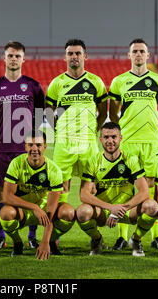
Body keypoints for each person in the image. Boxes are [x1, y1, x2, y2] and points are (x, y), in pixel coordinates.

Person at [0, 41, 45, 250]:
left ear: (24, 59)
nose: (13, 59)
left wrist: (30, 138)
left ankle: (32, 236)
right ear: (4, 58)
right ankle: (1, 236)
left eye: (17, 56)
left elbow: (40, 115)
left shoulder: (33, 86)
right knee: (0, 194)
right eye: (10, 56)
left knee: (32, 191)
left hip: (28, 150)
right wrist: (2, 134)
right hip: (3, 150)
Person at [108, 38, 158, 251]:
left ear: (147, 56)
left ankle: (155, 235)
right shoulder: (119, 81)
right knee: (125, 187)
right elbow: (112, 111)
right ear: (129, 55)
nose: (137, 54)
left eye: (141, 51)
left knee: (152, 189)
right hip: (128, 143)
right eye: (134, 51)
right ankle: (122, 237)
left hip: (150, 143)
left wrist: (154, 130)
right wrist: (121, 134)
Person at [77, 122, 158, 257]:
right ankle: (97, 240)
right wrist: (110, 208)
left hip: (126, 210)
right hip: (103, 211)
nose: (110, 141)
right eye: (106, 137)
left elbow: (144, 192)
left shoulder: (130, 159)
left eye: (114, 137)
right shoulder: (93, 161)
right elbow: (84, 195)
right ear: (100, 139)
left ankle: (136, 240)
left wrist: (122, 209)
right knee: (82, 212)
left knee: (152, 206)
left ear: (120, 138)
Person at [45, 39, 108, 204]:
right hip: (64, 143)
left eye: (78, 53)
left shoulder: (96, 82)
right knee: (61, 186)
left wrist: (94, 130)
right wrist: (58, 129)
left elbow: (103, 112)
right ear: (64, 57)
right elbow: (48, 110)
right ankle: (59, 223)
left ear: (85, 56)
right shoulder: (56, 84)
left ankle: (89, 222)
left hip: (88, 143)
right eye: (70, 53)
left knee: (91, 187)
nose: (74, 56)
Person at [0, 130, 75, 259]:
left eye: (39, 145)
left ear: (45, 147)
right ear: (25, 146)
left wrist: (45, 242)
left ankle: (52, 241)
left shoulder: (53, 170)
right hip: (23, 211)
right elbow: (6, 197)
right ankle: (17, 242)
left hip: (45, 212)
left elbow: (51, 210)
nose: (34, 149)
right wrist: (34, 207)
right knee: (6, 213)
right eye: (30, 145)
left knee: (68, 212)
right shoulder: (16, 164)